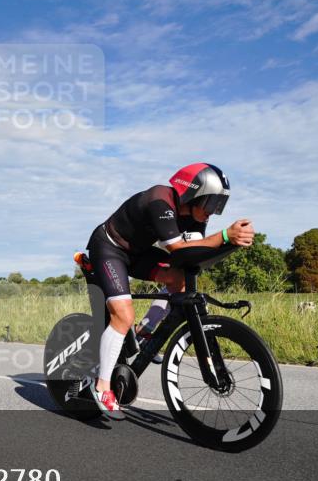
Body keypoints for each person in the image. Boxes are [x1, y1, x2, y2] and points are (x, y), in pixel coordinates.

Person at [85, 163, 255, 418]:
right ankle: (103, 387)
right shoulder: (159, 201)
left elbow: (196, 253)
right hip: (110, 249)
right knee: (123, 316)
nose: (212, 213)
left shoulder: (194, 216)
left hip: (138, 253)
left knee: (180, 282)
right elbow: (178, 250)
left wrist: (230, 243)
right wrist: (225, 236)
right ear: (192, 195)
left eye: (218, 206)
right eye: (210, 204)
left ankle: (145, 332)